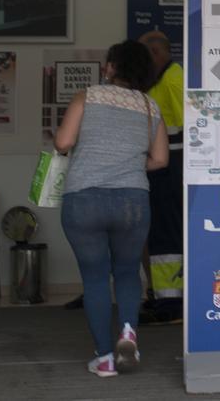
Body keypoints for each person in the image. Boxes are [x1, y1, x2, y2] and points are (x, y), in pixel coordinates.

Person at [54, 40, 168, 377]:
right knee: (128, 270)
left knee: (95, 279)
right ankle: (129, 330)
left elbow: (63, 142)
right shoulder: (150, 107)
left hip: (84, 200)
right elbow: (160, 159)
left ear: (111, 67)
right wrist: (127, 165)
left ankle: (104, 357)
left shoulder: (86, 97)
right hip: (132, 201)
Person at [137, 30, 185, 324]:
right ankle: (163, 296)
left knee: (167, 233)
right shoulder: (158, 80)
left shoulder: (172, 78)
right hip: (160, 164)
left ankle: (172, 302)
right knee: (158, 232)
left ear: (156, 53)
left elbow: (188, 125)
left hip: (171, 165)